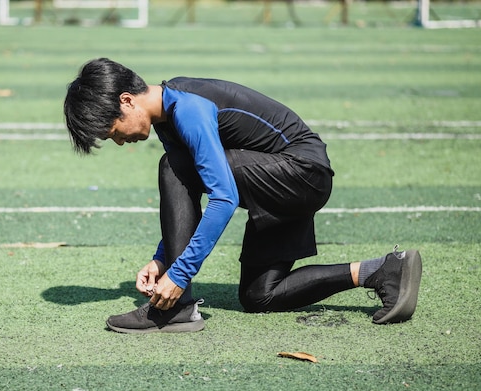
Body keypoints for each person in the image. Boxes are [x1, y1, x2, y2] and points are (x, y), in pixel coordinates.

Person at [63, 58, 422, 334]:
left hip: (301, 174)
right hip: (279, 180)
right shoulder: (167, 117)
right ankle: (383, 271)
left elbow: (222, 197)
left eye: (112, 132)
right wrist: (162, 262)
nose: (118, 141)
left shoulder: (187, 109)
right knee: (259, 296)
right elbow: (188, 198)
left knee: (172, 166)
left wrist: (179, 274)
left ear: (127, 101)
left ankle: (175, 309)